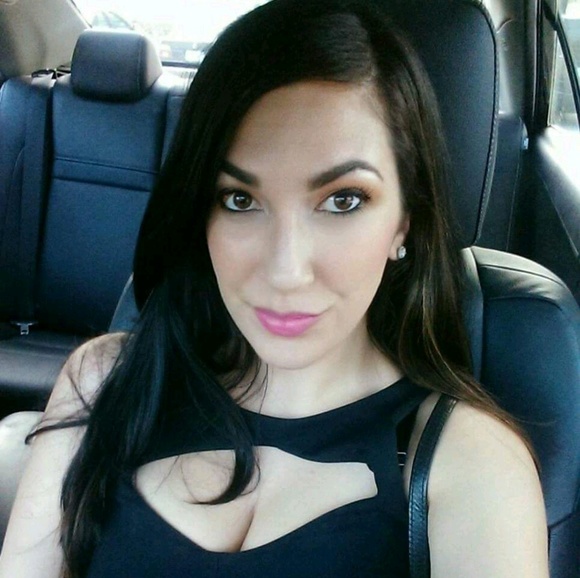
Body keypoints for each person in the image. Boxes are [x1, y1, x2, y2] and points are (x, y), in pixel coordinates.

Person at [0, 0, 549, 576]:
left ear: (404, 221)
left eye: (343, 200)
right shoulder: (102, 383)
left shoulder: (472, 467)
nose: (286, 272)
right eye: (239, 200)